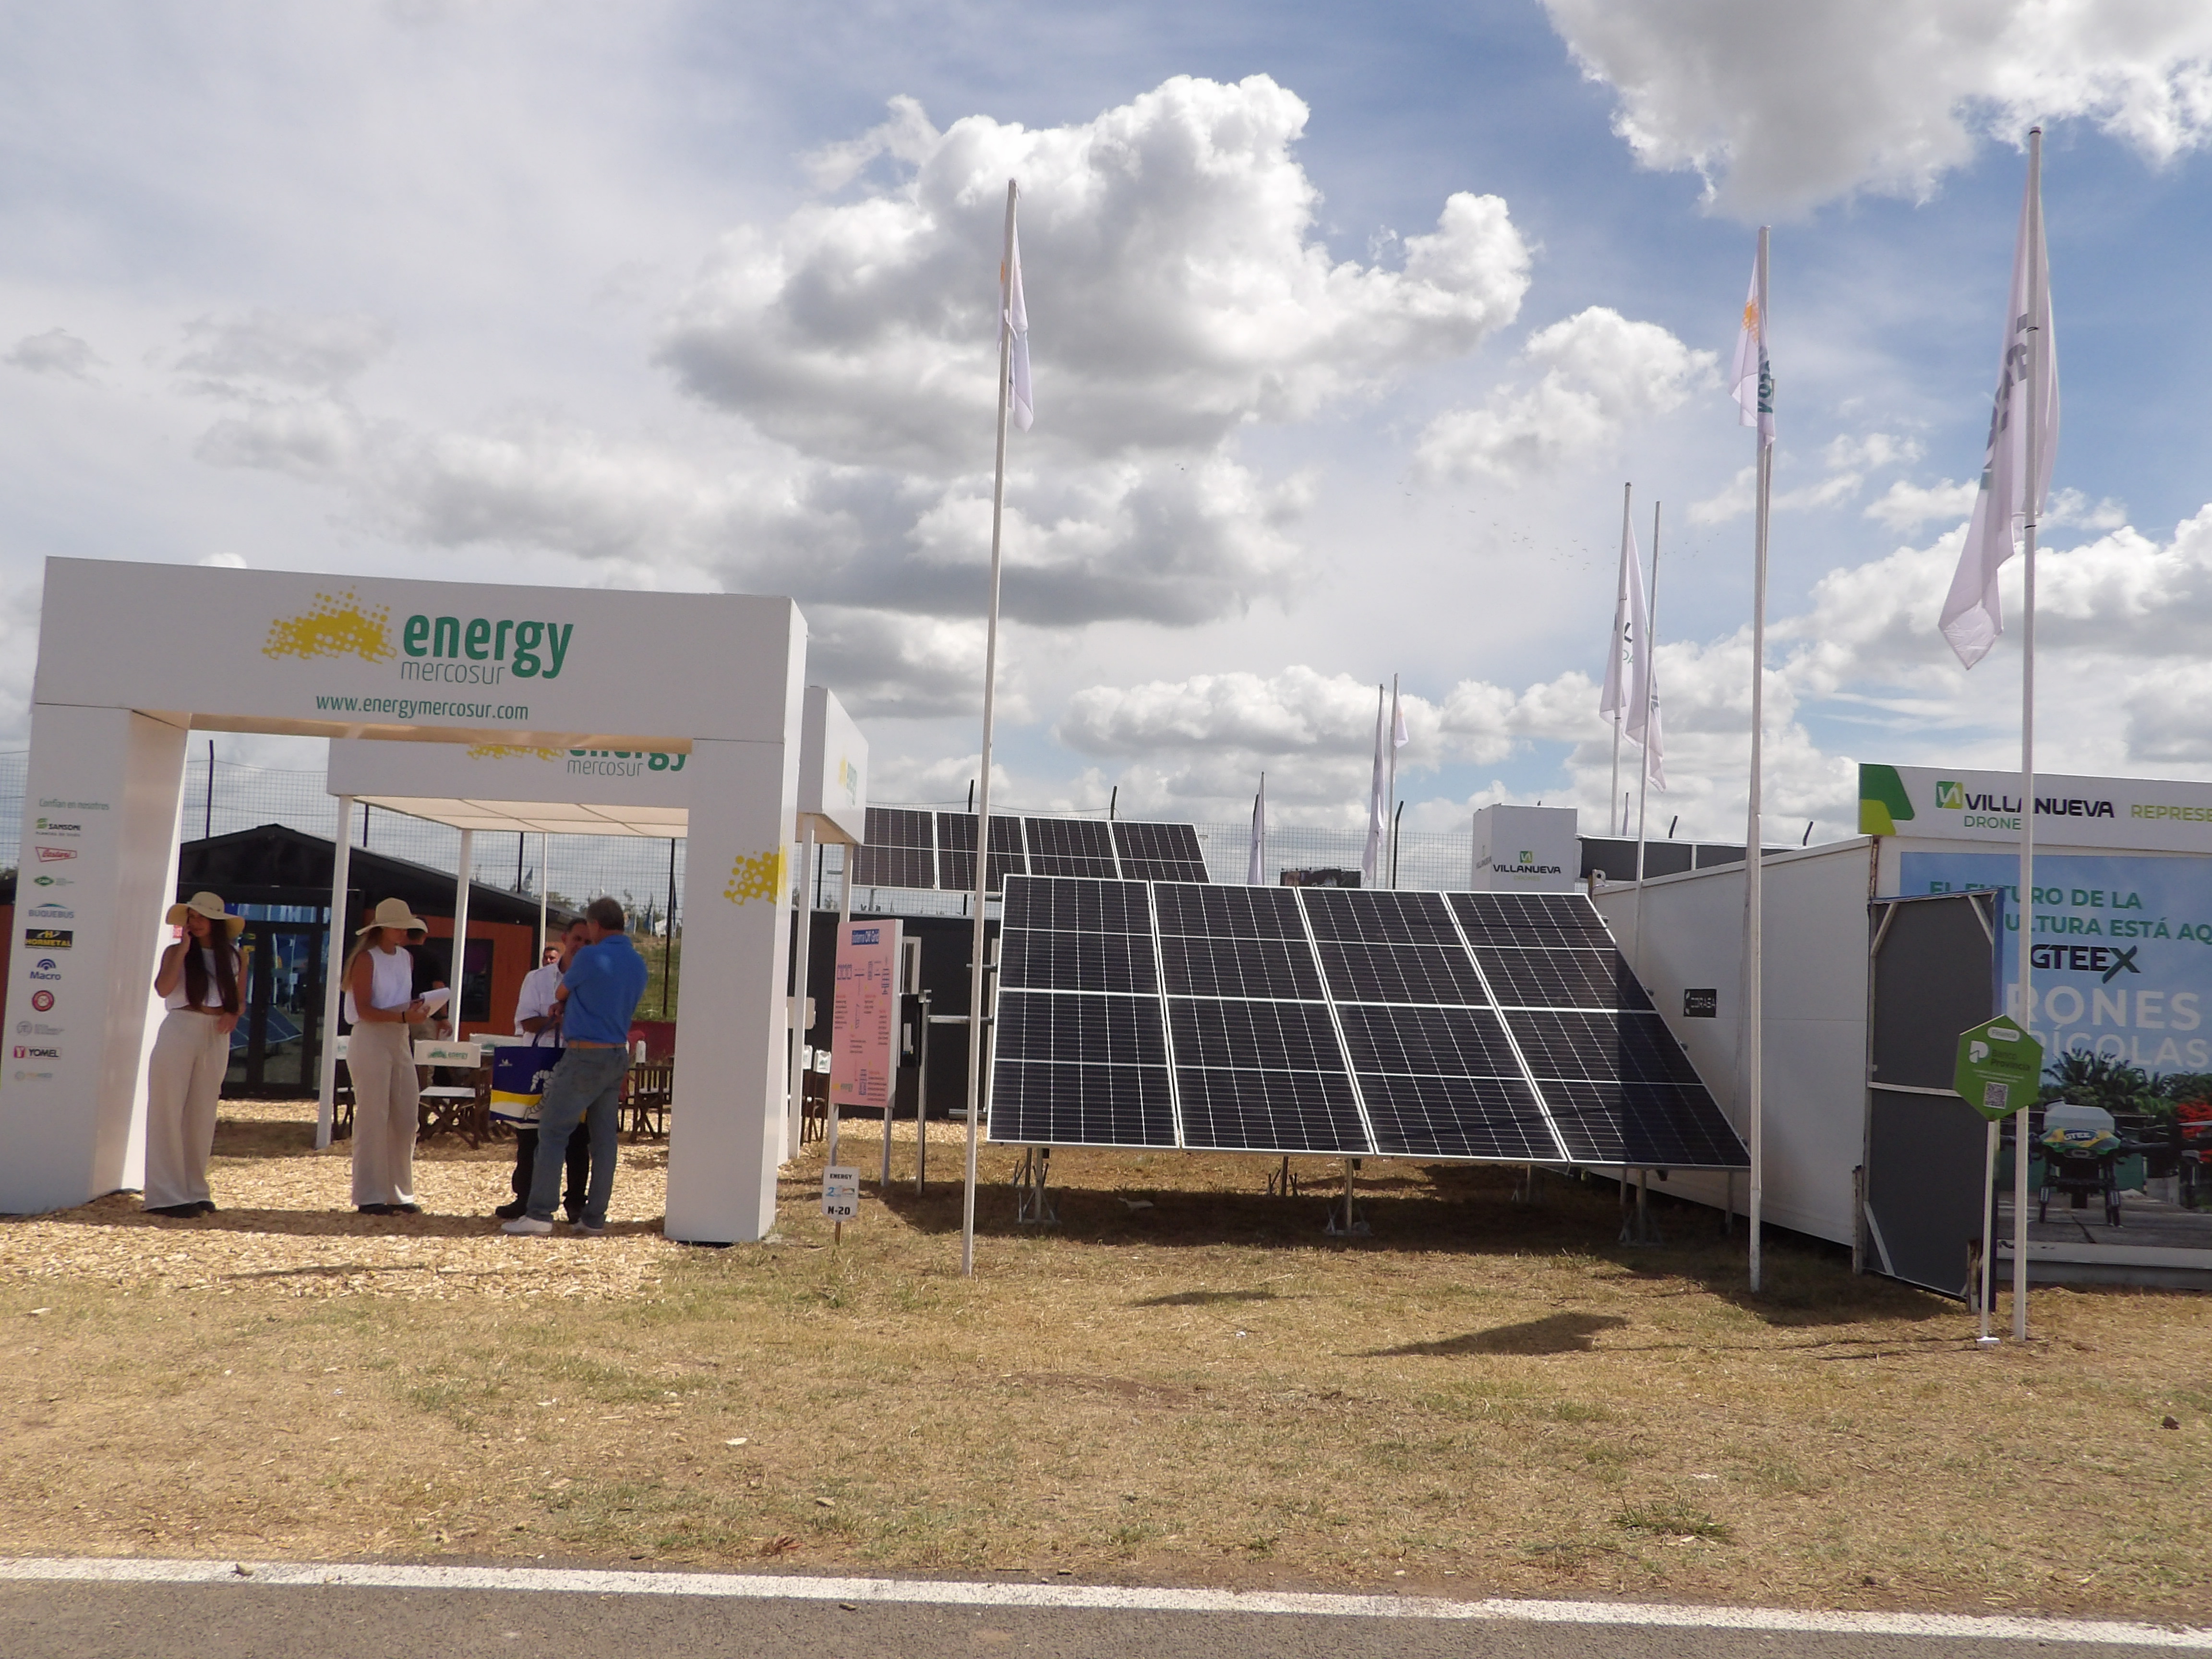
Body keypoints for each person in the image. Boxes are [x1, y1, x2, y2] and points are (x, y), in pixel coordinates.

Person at [503, 895, 648, 1237]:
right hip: (617, 1053)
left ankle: (539, 1213)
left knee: (553, 1132)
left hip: (584, 1054)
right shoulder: (637, 962)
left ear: (595, 924)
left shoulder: (590, 956)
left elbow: (562, 992)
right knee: (604, 1141)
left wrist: (566, 1005)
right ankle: (594, 1218)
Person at [144, 891, 245, 1217]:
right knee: (167, 1108)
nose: (196, 922)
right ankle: (165, 1195)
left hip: (216, 1033)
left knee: (202, 1111)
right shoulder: (176, 952)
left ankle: (195, 1189)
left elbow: (239, 999)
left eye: (202, 917)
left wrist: (232, 1014)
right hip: (181, 1025)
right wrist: (183, 949)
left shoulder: (235, 956)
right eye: (192, 916)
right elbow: (163, 989)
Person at [494, 915, 593, 1223]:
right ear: (565, 939)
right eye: (577, 939)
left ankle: (575, 1201)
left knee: (578, 1136)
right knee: (529, 1134)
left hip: (576, 1060)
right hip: (538, 1060)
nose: (581, 946)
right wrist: (559, 1020)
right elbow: (526, 1021)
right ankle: (524, 1198)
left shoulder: (595, 980)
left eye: (588, 941)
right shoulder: (537, 979)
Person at [345, 897, 434, 1216]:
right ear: (382, 928)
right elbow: (365, 1009)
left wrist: (415, 1010)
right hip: (371, 1039)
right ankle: (369, 1194)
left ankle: (399, 1192)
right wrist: (404, 1017)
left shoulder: (406, 958)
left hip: (399, 1037)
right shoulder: (365, 959)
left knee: (406, 1117)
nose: (402, 932)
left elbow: (397, 1001)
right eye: (397, 927)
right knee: (373, 1116)